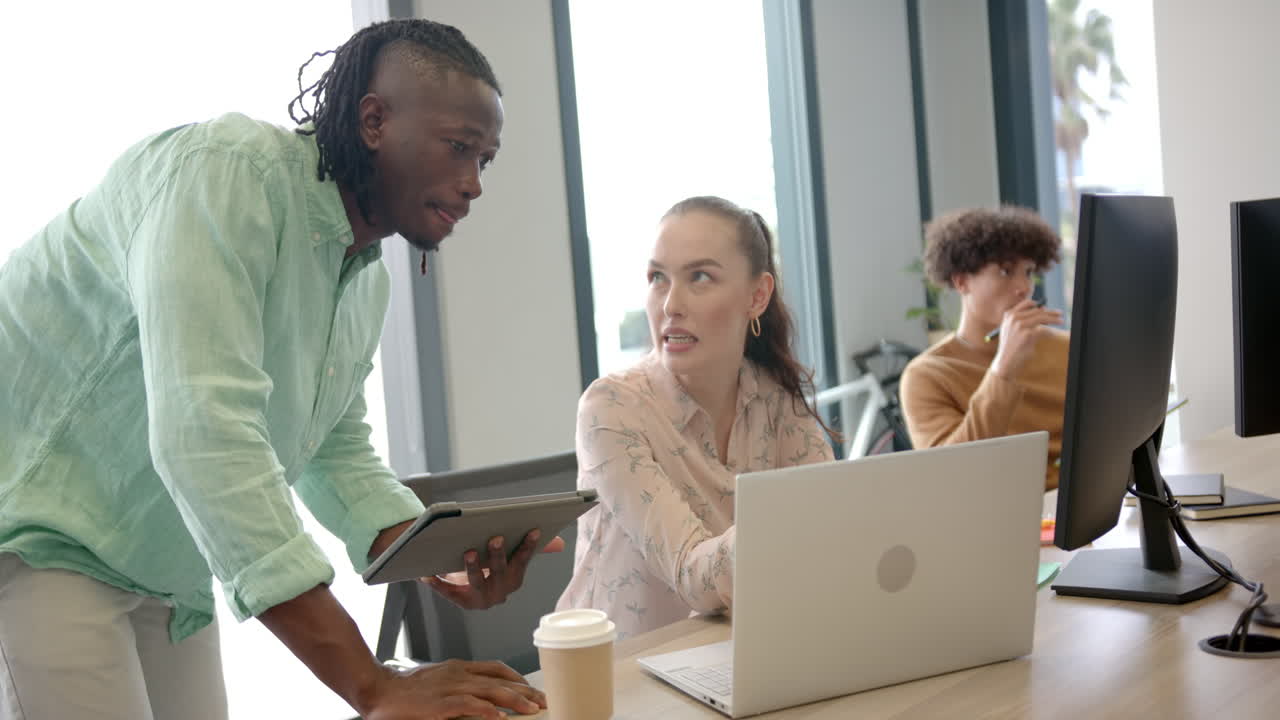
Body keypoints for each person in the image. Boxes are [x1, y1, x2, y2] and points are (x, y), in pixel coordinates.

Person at [0, 19, 557, 720]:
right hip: (40, 536)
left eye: (488, 159)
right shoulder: (227, 174)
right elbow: (207, 438)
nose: (474, 183)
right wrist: (373, 683)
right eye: (459, 147)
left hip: (166, 567)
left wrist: (434, 551)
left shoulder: (363, 278)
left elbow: (333, 450)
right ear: (374, 120)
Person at [556, 196, 835, 639]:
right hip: (619, 683)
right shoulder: (610, 407)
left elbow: (828, 542)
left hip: (738, 655)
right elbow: (694, 578)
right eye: (657, 278)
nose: (670, 305)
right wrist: (809, 522)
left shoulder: (778, 399)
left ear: (757, 296)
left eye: (700, 276)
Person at [898, 205, 1066, 490]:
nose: (1024, 287)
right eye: (1005, 271)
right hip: (999, 520)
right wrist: (1004, 369)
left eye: (1028, 272)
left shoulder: (1067, 349)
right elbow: (953, 473)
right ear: (962, 281)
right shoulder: (927, 376)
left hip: (1080, 513)